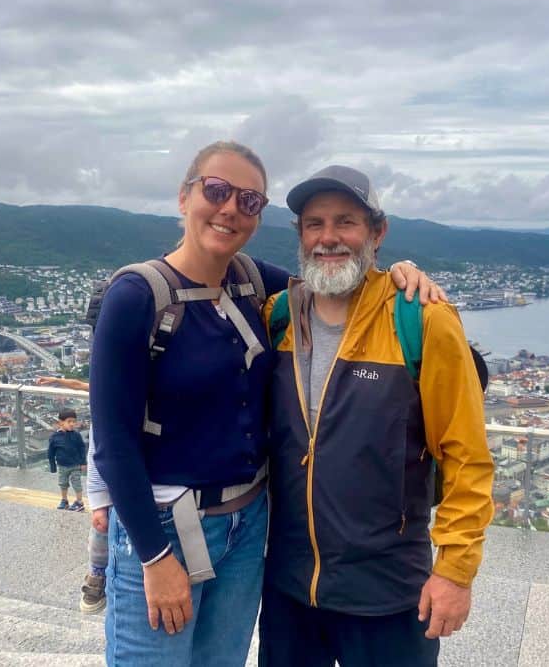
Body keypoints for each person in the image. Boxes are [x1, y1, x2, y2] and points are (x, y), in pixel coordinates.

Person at [91, 142, 439, 667]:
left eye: (250, 200)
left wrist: (400, 272)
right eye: (216, 190)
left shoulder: (253, 282)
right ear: (185, 197)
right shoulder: (137, 296)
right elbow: (113, 442)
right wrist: (153, 556)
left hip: (249, 525)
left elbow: (335, 282)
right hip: (163, 527)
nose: (231, 208)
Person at [258, 165, 494, 666]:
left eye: (346, 222)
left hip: (388, 591)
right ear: (300, 235)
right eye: (315, 223)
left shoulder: (421, 320)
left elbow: (467, 456)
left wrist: (455, 570)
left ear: (377, 232)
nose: (329, 238)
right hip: (289, 587)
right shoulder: (278, 315)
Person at [36, 375, 108, 614]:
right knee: (101, 524)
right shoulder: (111, 385)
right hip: (109, 468)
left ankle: (98, 575)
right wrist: (56, 380)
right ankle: (96, 573)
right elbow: (81, 385)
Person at [48, 407, 87, 512]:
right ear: (61, 422)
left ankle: (79, 502)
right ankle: (64, 500)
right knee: (63, 483)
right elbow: (50, 453)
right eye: (69, 421)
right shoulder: (54, 437)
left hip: (75, 465)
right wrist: (52, 466)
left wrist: (83, 462)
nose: (72, 424)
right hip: (62, 465)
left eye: (74, 422)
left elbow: (82, 448)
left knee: (76, 483)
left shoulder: (77, 435)